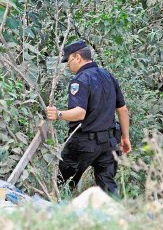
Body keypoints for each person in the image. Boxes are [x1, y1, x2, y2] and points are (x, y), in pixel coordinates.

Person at [46, 40, 131, 195]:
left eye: (68, 61)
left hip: (83, 144)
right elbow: (123, 110)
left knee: (61, 184)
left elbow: (80, 112)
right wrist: (126, 138)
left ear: (77, 57)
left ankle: (57, 213)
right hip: (109, 143)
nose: (67, 66)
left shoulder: (80, 79)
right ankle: (117, 216)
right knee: (108, 189)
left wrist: (58, 114)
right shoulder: (108, 76)